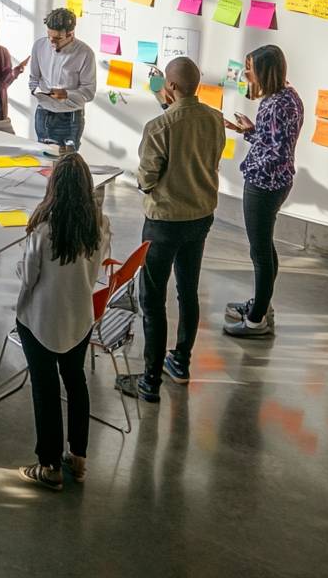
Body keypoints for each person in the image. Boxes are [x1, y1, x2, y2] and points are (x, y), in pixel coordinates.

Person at [116, 56, 225, 402]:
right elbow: (214, 157)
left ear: (173, 87)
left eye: (165, 82)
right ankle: (180, 361)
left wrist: (151, 185)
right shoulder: (215, 118)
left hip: (164, 221)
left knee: (153, 299)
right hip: (200, 217)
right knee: (188, 290)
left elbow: (147, 177)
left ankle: (149, 381)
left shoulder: (159, 126)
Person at [16, 153, 111, 491]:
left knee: (45, 390)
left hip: (39, 320)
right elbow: (95, 269)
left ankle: (49, 464)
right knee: (75, 383)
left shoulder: (43, 228)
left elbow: (28, 277)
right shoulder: (100, 224)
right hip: (79, 317)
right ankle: (79, 457)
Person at [222, 45, 304, 338]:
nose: (246, 73)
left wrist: (253, 164)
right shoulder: (288, 97)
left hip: (263, 186)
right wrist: (248, 131)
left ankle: (256, 320)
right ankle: (261, 305)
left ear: (264, 70)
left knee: (260, 253)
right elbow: (275, 140)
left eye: (250, 67)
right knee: (265, 248)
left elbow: (275, 151)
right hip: (278, 183)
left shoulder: (275, 104)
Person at [27, 7, 95, 149]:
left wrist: (66, 94)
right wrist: (35, 91)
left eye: (58, 38)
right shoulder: (39, 46)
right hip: (43, 112)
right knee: (44, 161)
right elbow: (33, 78)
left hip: (70, 116)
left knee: (67, 162)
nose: (52, 42)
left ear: (71, 34)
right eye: (49, 36)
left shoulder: (85, 53)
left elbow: (89, 92)